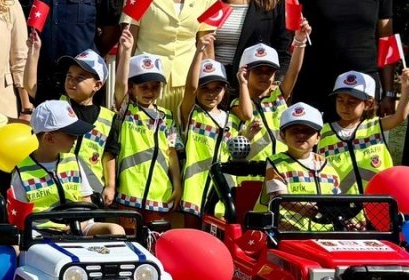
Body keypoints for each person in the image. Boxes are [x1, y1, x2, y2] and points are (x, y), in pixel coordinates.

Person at [10, 100, 125, 236]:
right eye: (70, 134)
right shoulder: (22, 172)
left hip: (79, 226)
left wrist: (78, 226)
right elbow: (20, 221)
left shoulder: (73, 161)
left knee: (116, 230)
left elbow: (86, 201)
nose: (76, 138)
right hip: (41, 233)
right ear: (49, 138)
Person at [105, 53, 181, 230]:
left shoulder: (167, 116)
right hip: (129, 194)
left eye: (155, 87)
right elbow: (120, 85)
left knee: (157, 240)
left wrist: (177, 185)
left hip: (160, 194)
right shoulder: (126, 111)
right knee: (130, 239)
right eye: (143, 86)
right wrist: (126, 50)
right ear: (132, 88)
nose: (149, 92)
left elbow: (172, 152)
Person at [26, 49, 114, 201]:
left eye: (80, 78)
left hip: (93, 190)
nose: (71, 81)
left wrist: (110, 186)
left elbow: (109, 154)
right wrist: (33, 53)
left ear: (97, 85)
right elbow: (30, 86)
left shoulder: (109, 118)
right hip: (57, 185)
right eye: (69, 75)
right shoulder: (55, 105)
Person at [319, 70, 409, 194]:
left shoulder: (374, 126)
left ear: (368, 104)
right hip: (340, 202)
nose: (345, 106)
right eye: (340, 100)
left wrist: (406, 89)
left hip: (378, 200)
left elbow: (400, 116)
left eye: (352, 102)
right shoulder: (322, 132)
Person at [257, 103, 344, 232]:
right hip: (285, 233)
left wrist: (345, 219)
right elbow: (278, 198)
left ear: (318, 138)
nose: (301, 135)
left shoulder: (326, 165)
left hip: (325, 234)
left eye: (308, 131)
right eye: (295, 130)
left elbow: (337, 201)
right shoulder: (275, 163)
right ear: (283, 135)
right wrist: (303, 209)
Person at [177, 52, 236, 224]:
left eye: (217, 88)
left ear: (225, 90)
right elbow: (190, 88)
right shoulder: (191, 114)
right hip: (194, 189)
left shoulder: (231, 119)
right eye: (205, 88)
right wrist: (198, 51)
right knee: (192, 236)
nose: (211, 94)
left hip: (222, 190)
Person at [232, 43, 305, 164]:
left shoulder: (278, 96)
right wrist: (243, 83)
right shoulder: (237, 103)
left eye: (269, 71)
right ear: (245, 73)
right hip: (253, 167)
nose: (264, 76)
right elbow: (247, 115)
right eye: (258, 71)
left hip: (281, 165)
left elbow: (293, 72)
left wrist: (300, 42)